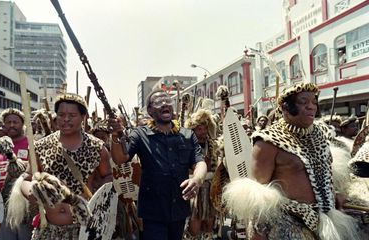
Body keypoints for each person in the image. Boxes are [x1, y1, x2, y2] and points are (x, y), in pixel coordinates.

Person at [223, 82, 361, 239]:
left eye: (314, 102)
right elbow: (257, 196)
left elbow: (322, 176)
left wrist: (333, 194)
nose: (311, 107)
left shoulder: (319, 136)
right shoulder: (267, 141)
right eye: (303, 102)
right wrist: (257, 233)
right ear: (285, 108)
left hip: (325, 220)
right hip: (287, 222)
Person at [7, 93, 111, 240]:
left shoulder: (97, 148)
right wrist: (30, 190)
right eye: (61, 115)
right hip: (50, 230)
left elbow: (107, 176)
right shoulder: (41, 146)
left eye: (72, 115)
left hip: (85, 229)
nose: (66, 119)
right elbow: (27, 177)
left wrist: (100, 198)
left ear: (83, 117)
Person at [108, 89, 207, 240]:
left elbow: (199, 163)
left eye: (167, 101)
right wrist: (115, 136)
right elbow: (120, 158)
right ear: (149, 111)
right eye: (158, 102)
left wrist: (197, 180)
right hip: (152, 211)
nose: (164, 104)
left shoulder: (187, 135)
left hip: (179, 209)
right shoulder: (139, 134)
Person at [0, 108, 33, 240]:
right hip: (3, 206)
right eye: (8, 122)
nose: (11, 125)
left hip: (26, 206)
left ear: (22, 124)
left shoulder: (32, 145)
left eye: (15, 122)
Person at [184, 108, 218, 239]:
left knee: (209, 223)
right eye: (199, 129)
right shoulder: (186, 146)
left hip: (211, 188)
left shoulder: (214, 145)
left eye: (204, 128)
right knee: (194, 224)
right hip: (194, 188)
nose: (203, 132)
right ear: (192, 130)